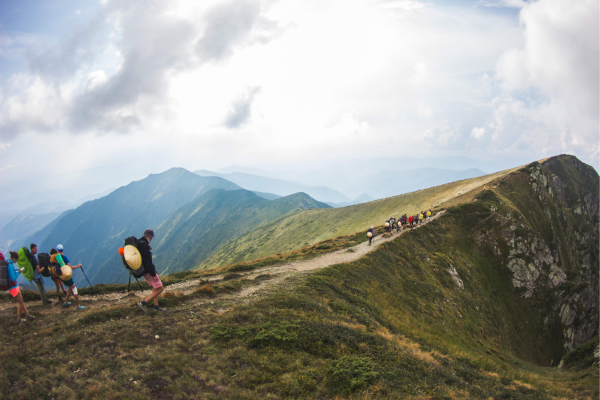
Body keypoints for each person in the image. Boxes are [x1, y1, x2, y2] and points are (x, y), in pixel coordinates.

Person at [136, 229, 166, 313]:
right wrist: (153, 274)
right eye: (151, 237)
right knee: (160, 288)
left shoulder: (139, 243)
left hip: (144, 271)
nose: (152, 239)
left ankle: (156, 306)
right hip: (148, 271)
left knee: (155, 287)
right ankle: (143, 303)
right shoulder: (145, 246)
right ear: (147, 236)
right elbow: (148, 262)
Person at [7, 251, 34, 322]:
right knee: (20, 302)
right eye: (16, 259)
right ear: (13, 258)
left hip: (15, 286)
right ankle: (18, 319)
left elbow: (11, 273)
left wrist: (16, 270)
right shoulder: (10, 265)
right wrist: (18, 272)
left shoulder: (9, 263)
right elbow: (13, 278)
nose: (16, 261)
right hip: (13, 287)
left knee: (21, 302)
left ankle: (27, 315)